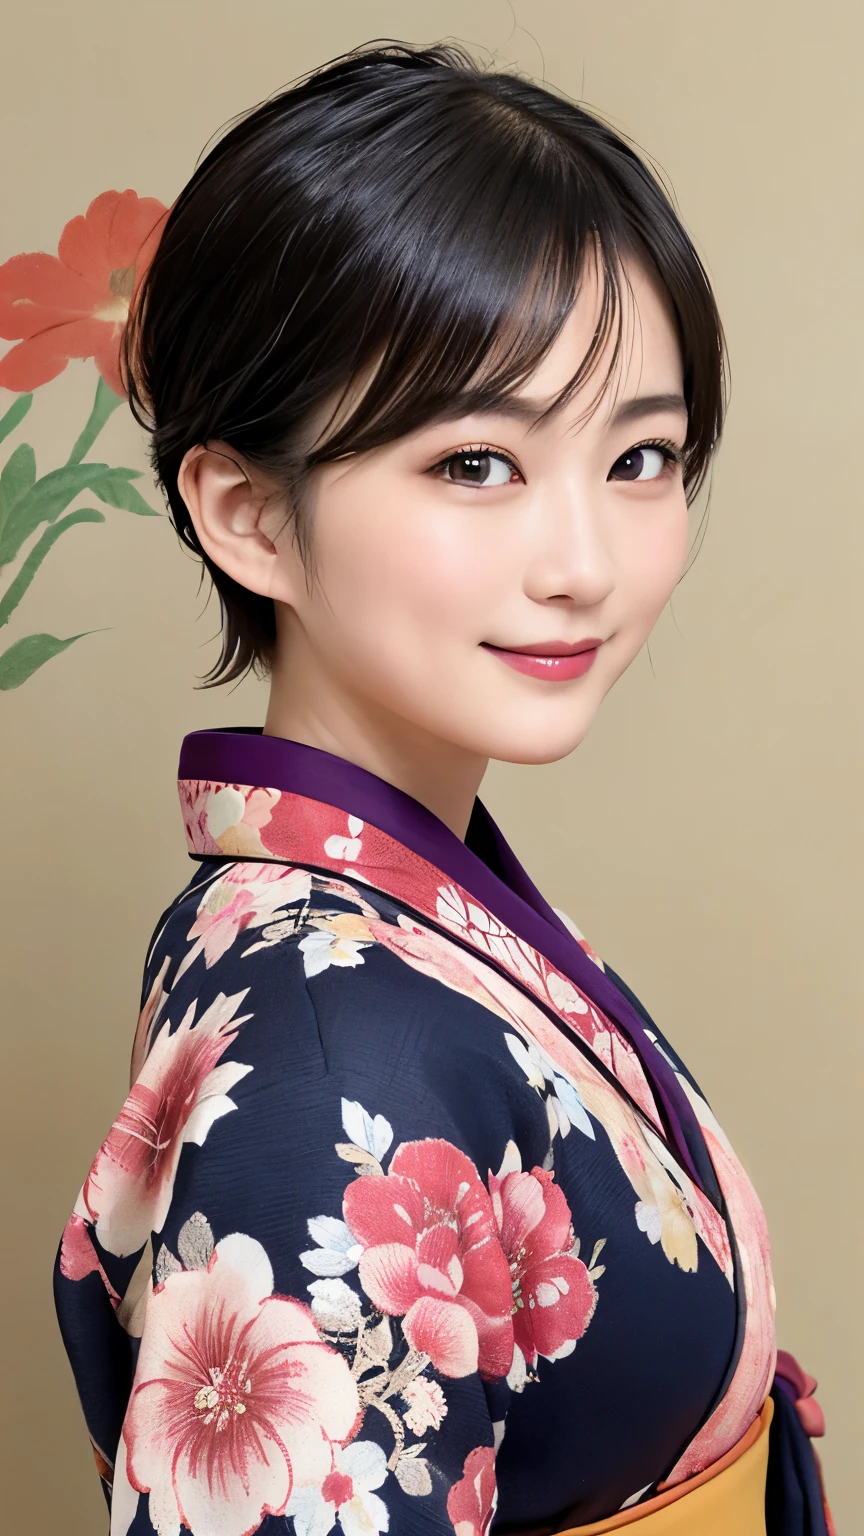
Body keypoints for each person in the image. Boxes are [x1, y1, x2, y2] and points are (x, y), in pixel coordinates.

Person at [54, 43, 832, 1536]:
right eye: (475, 462)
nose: (585, 563)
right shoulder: (334, 1059)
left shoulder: (386, 913)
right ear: (248, 516)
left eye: (643, 455)